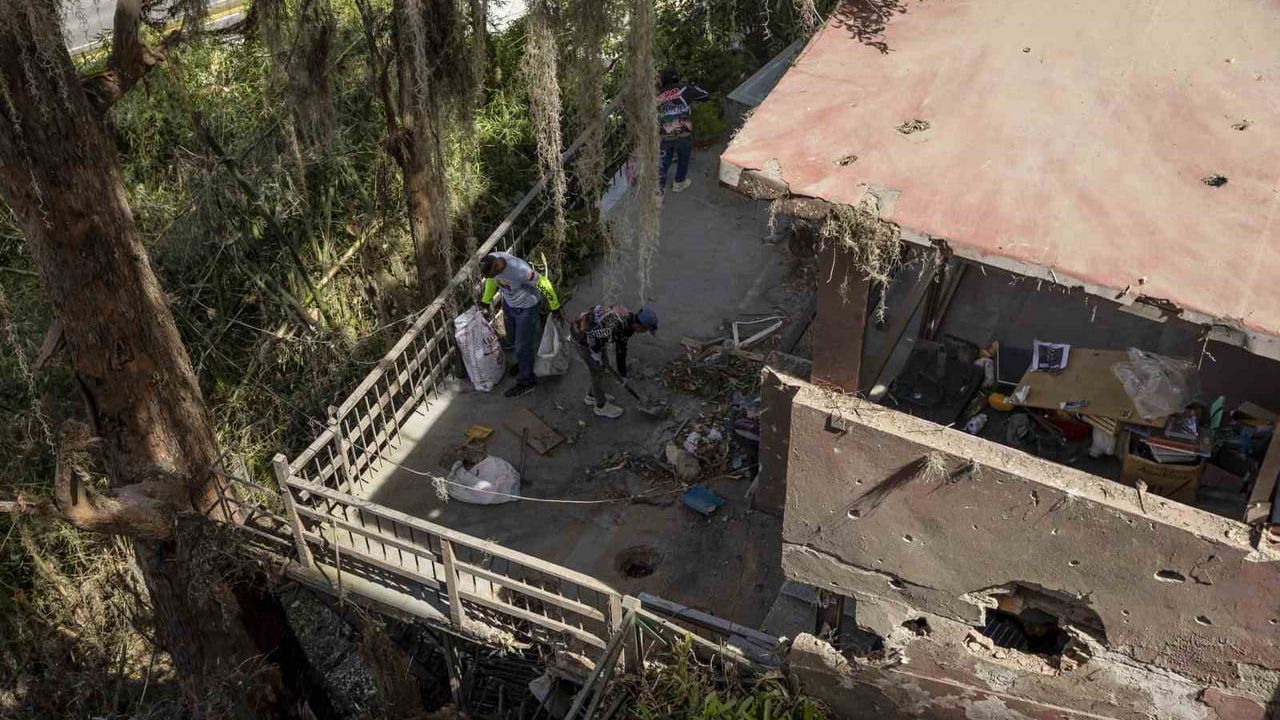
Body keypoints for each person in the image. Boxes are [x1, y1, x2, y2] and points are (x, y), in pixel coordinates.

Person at [479, 252, 561, 398]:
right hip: (510, 305)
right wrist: (486, 300)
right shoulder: (491, 261)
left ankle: (527, 381)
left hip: (526, 308)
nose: (490, 277)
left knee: (522, 345)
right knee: (512, 337)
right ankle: (523, 362)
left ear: (497, 266)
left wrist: (555, 306)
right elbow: (492, 281)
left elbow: (543, 283)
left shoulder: (520, 271)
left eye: (491, 274)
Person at [570, 304, 658, 418]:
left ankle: (593, 395)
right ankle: (600, 406)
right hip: (583, 338)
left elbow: (621, 350)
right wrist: (595, 355)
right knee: (596, 372)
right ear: (639, 326)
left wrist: (622, 374)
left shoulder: (628, 323)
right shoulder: (616, 326)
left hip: (598, 337)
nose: (644, 332)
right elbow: (591, 335)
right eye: (645, 329)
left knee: (602, 366)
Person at [656, 68, 710, 194]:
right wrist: (692, 86)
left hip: (665, 134)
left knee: (664, 161)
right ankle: (678, 184)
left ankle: (659, 188)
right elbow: (705, 95)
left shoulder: (658, 95)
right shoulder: (684, 88)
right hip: (683, 132)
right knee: (683, 159)